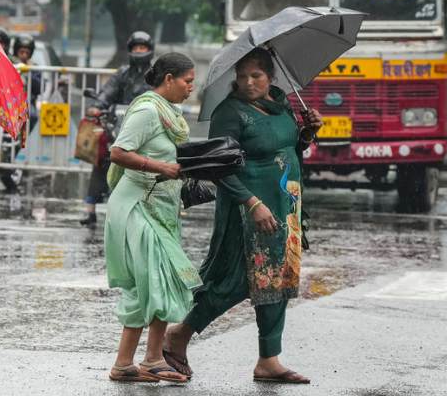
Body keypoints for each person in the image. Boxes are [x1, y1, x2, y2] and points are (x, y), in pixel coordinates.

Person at [163, 47, 322, 384]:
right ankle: (180, 333)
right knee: (235, 282)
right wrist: (252, 203)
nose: (249, 83)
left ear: (271, 78)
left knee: (277, 280)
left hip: (284, 206)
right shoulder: (229, 113)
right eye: (243, 76)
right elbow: (219, 167)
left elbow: (287, 148)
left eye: (257, 76)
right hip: (246, 209)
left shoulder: (282, 105)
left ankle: (269, 359)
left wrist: (307, 132)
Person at [104, 53, 201, 383]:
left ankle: (146, 359)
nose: (191, 87)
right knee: (150, 282)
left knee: (166, 279)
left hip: (161, 208)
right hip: (136, 206)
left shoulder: (171, 113)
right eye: (187, 81)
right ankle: (131, 362)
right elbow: (118, 152)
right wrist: (160, 167)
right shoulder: (147, 110)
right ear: (169, 79)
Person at [81, 31, 155, 226]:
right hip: (118, 124)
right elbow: (108, 92)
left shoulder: (156, 74)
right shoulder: (123, 73)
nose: (139, 51)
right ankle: (90, 209)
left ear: (150, 50)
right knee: (102, 158)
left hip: (145, 125)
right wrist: (98, 106)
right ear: (130, 50)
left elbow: (162, 95)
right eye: (136, 48)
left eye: (143, 48)